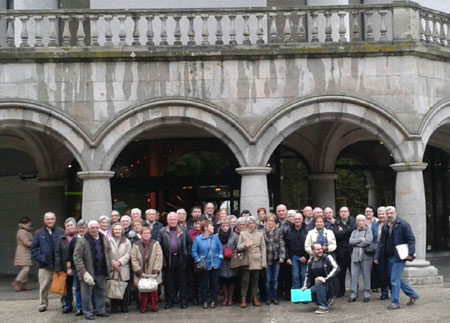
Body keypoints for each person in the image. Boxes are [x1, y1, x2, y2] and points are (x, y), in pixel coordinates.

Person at [375, 206, 419, 310]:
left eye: (391, 213)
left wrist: (411, 254)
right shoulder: (386, 226)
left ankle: (395, 303)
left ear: (395, 213)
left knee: (394, 280)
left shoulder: (403, 224)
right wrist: (377, 256)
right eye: (388, 213)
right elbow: (381, 243)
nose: (390, 215)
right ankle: (413, 294)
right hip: (389, 257)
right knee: (396, 279)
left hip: (399, 257)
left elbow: (411, 239)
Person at [73, 220, 112, 320]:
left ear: (99, 229)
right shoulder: (82, 240)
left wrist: (109, 265)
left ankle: (100, 310)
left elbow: (108, 252)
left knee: (101, 292)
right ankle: (88, 312)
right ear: (88, 229)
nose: (94, 230)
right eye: (92, 228)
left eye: (96, 228)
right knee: (86, 294)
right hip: (88, 272)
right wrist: (83, 271)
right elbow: (77, 257)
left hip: (101, 271)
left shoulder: (104, 238)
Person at [30, 211, 64, 312]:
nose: (50, 221)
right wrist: (42, 258)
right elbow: (33, 249)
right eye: (48, 219)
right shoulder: (39, 233)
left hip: (59, 264)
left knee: (62, 285)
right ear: (44, 221)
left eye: (52, 219)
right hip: (44, 265)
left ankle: (65, 303)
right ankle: (43, 304)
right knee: (43, 286)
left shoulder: (61, 231)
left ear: (55, 219)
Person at [158, 211, 192, 309]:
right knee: (169, 283)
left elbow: (189, 244)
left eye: (174, 219)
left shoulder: (184, 230)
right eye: (170, 219)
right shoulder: (162, 231)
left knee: (183, 282)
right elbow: (159, 247)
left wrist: (187, 256)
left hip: (182, 259)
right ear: (167, 220)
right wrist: (163, 261)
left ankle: (183, 301)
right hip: (168, 260)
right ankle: (170, 301)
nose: (172, 221)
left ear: (177, 220)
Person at [192, 220, 223, 309]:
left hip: (215, 264)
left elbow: (220, 249)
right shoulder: (198, 239)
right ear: (206, 228)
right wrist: (198, 260)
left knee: (214, 284)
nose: (213, 227)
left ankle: (214, 300)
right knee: (204, 284)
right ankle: (204, 301)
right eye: (211, 226)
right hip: (204, 265)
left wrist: (220, 257)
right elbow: (194, 252)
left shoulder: (215, 238)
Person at [131, 227, 163, 313]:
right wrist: (139, 272)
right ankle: (143, 307)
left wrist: (155, 270)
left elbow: (159, 257)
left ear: (151, 234)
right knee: (143, 291)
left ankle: (154, 306)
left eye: (148, 233)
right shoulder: (136, 245)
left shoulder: (156, 244)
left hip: (153, 272)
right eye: (144, 233)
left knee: (153, 291)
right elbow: (133, 259)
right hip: (141, 272)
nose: (146, 235)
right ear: (141, 234)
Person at [302, 242, 340, 314]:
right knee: (304, 298)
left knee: (318, 281)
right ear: (313, 251)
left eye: (321, 249)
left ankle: (323, 307)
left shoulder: (327, 257)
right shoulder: (310, 261)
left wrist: (325, 278)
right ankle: (326, 300)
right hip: (317, 287)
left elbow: (337, 268)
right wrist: (305, 286)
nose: (320, 251)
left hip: (329, 285)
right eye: (318, 249)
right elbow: (308, 275)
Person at [237, 216, 266, 308]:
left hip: (257, 260)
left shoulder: (260, 234)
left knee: (255, 281)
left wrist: (263, 262)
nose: (252, 225)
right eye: (250, 223)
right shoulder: (243, 233)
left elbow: (263, 248)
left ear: (256, 224)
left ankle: (255, 298)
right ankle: (244, 299)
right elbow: (238, 248)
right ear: (247, 224)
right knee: (245, 280)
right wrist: (244, 245)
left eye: (253, 223)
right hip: (246, 260)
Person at [348, 214, 374, 303]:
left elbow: (368, 241)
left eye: (363, 220)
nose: (361, 222)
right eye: (359, 220)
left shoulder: (369, 231)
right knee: (354, 275)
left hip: (366, 256)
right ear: (357, 222)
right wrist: (361, 240)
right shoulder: (354, 232)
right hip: (354, 256)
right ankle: (353, 294)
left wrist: (357, 242)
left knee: (366, 275)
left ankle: (367, 294)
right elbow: (351, 241)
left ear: (365, 221)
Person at [55, 217, 78, 314]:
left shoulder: (80, 237)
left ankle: (80, 306)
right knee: (67, 288)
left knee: (78, 288)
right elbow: (58, 254)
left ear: (75, 226)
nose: (69, 227)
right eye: (67, 225)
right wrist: (58, 267)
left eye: (71, 225)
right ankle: (68, 305)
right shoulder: (61, 239)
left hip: (77, 267)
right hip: (65, 268)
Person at [332, 206, 356, 298]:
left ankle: (354, 291)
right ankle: (340, 291)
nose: (343, 213)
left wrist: (342, 232)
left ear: (348, 213)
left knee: (353, 272)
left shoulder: (353, 221)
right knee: (340, 273)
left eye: (345, 211)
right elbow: (336, 234)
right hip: (341, 252)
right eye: (342, 211)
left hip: (351, 251)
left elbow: (353, 230)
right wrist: (344, 232)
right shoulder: (337, 222)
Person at [108, 222, 132, 313]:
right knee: (113, 287)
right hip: (113, 268)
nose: (117, 231)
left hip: (123, 267)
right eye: (116, 229)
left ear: (122, 231)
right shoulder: (108, 240)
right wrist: (113, 263)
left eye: (119, 229)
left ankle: (124, 307)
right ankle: (114, 307)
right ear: (113, 231)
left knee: (124, 288)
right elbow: (107, 253)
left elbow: (129, 254)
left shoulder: (127, 241)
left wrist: (120, 262)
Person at [263, 213, 285, 305]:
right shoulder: (262, 232)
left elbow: (282, 244)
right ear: (266, 222)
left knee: (275, 279)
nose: (271, 222)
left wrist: (282, 256)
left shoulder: (279, 231)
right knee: (268, 280)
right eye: (269, 221)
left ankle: (274, 297)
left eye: (272, 221)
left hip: (276, 258)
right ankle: (268, 297)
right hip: (267, 258)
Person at [69, 219, 88, 316]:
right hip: (75, 268)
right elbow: (69, 255)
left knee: (89, 288)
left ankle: (88, 307)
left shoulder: (89, 239)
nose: (81, 229)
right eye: (80, 228)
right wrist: (69, 267)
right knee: (77, 288)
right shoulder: (74, 240)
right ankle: (79, 308)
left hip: (88, 268)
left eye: (83, 227)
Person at [285, 212, 308, 291]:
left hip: (304, 257)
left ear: (302, 220)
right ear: (293, 220)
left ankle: (304, 295)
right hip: (294, 256)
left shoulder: (307, 230)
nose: (297, 220)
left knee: (304, 276)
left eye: (299, 219)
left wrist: (306, 256)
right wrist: (287, 257)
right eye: (295, 219)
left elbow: (310, 245)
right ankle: (297, 296)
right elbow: (286, 245)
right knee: (295, 276)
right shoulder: (289, 230)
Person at [217, 220, 238, 306]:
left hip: (232, 260)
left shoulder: (234, 236)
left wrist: (233, 253)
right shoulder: (217, 236)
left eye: (227, 226)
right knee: (223, 280)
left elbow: (238, 247)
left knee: (232, 280)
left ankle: (230, 298)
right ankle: (225, 298)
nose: (225, 228)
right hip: (221, 261)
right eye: (223, 226)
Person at [372, 207, 389, 299]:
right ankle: (384, 292)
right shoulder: (375, 225)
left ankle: (393, 291)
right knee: (381, 272)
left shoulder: (391, 224)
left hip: (389, 250)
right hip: (378, 250)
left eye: (383, 214)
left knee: (389, 272)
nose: (381, 215)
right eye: (379, 214)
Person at [13, 216, 33, 292]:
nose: (30, 224)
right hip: (23, 251)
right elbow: (26, 242)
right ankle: (17, 281)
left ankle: (23, 285)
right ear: (27, 223)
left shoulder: (24, 231)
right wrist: (35, 244)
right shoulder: (22, 231)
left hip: (25, 251)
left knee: (25, 268)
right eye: (29, 223)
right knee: (26, 269)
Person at [276, 204, 291, 300]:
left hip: (288, 253)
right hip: (276, 253)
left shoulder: (290, 224)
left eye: (283, 210)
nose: (281, 213)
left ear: (286, 211)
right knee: (278, 275)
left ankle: (288, 293)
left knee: (288, 275)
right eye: (279, 211)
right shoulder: (273, 223)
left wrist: (289, 256)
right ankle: (279, 292)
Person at [188, 220, 203, 305]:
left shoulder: (204, 233)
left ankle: (201, 296)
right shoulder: (189, 233)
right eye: (196, 224)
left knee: (202, 280)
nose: (197, 225)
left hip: (202, 259)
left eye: (199, 224)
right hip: (192, 259)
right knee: (192, 280)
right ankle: (194, 297)